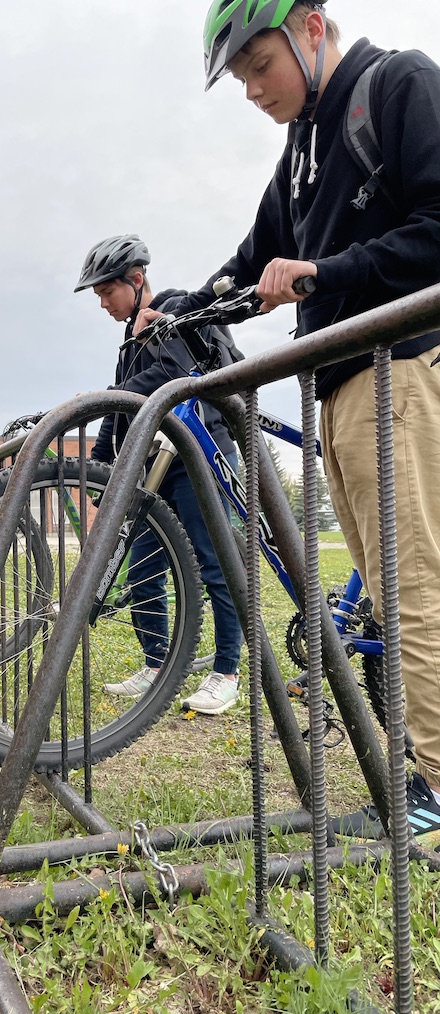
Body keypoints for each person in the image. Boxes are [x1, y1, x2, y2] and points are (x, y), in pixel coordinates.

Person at [136, 1, 440, 841]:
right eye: (239, 77)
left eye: (258, 65)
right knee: (384, 590)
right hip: (339, 386)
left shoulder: (399, 84)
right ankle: (413, 767)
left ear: (310, 27)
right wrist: (182, 308)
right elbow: (254, 254)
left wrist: (325, 273)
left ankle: (439, 791)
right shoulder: (302, 147)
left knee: (414, 593)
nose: (250, 90)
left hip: (403, 367)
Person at [75, 234, 243, 714]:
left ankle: (226, 672)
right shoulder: (129, 346)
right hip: (156, 470)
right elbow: (121, 408)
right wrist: (102, 464)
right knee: (142, 573)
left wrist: (114, 395)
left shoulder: (172, 313)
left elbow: (170, 376)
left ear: (136, 279)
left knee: (216, 565)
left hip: (197, 456)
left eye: (107, 292)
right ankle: (156, 665)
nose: (103, 303)